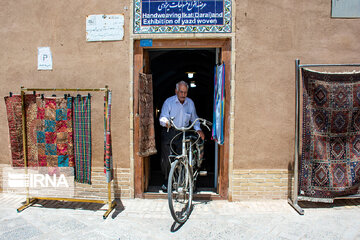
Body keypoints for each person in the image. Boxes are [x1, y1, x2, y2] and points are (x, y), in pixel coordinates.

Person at [159, 81, 205, 192]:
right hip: (169, 131)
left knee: (184, 156)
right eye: (181, 92)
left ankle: (186, 181)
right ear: (176, 91)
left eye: (185, 92)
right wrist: (166, 122)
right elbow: (162, 117)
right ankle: (167, 182)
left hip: (182, 132)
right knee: (167, 159)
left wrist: (198, 129)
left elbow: (194, 118)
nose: (183, 94)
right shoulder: (169, 102)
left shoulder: (190, 103)